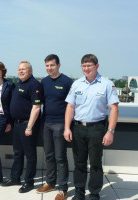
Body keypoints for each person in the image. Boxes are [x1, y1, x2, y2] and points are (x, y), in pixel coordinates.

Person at [64, 54, 119, 200]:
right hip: (78, 128)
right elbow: (70, 106)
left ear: (97, 66)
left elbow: (114, 108)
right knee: (79, 163)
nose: (86, 68)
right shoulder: (76, 84)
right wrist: (67, 128)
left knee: (95, 163)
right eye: (84, 66)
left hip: (97, 129)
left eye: (89, 66)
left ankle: (94, 194)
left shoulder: (107, 84)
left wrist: (110, 132)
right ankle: (79, 194)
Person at [1, 61, 43, 193]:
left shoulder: (34, 85)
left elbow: (36, 108)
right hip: (17, 124)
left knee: (30, 155)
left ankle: (29, 182)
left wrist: (29, 127)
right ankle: (15, 178)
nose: (20, 71)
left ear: (30, 71)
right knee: (18, 153)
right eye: (19, 69)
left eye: (23, 69)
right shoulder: (19, 83)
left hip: (27, 124)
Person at [36, 54, 73, 200]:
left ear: (58, 65)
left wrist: (67, 127)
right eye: (47, 66)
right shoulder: (44, 82)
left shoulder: (67, 82)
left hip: (61, 124)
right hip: (46, 123)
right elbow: (40, 102)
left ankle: (63, 189)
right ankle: (50, 183)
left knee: (60, 157)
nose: (49, 68)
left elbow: (72, 105)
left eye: (52, 65)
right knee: (49, 155)